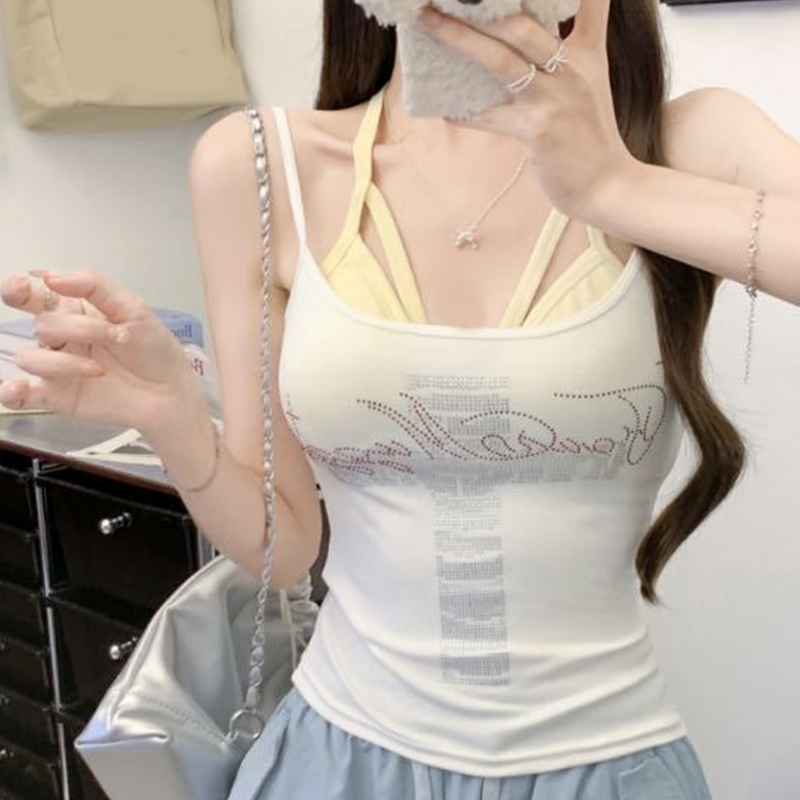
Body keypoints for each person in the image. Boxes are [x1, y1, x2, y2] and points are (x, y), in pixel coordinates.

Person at [3, 1, 800, 798]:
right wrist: (173, 417)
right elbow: (285, 548)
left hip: (606, 763)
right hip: (341, 761)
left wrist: (612, 184)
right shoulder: (263, 164)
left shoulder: (686, 144)